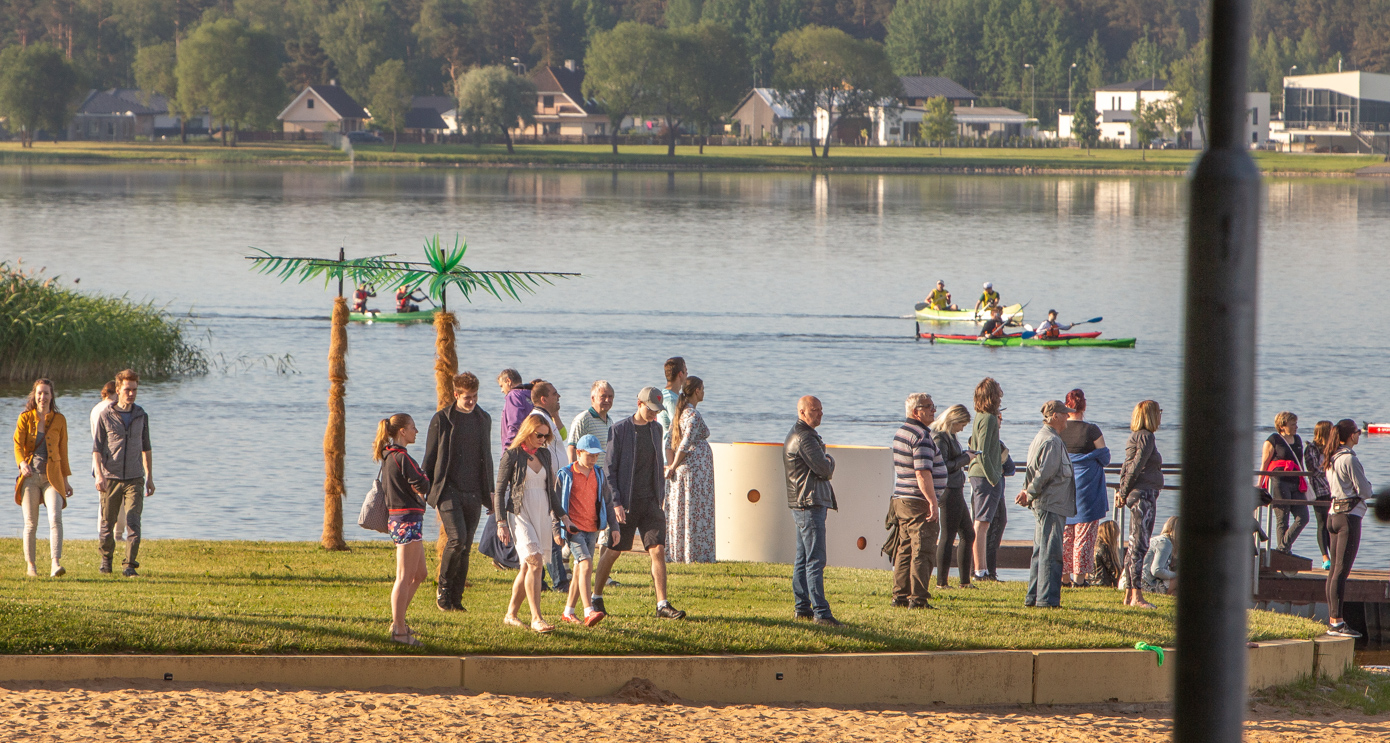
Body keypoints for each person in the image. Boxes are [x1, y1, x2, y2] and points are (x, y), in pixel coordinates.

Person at [592, 387, 687, 620]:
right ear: (639, 404)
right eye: (650, 409)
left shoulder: (656, 428)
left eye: (657, 410)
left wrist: (660, 495)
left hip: (651, 502)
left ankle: (662, 604)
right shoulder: (620, 430)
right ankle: (595, 597)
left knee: (658, 550)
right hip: (625, 504)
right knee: (614, 551)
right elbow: (609, 471)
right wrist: (615, 503)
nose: (654, 414)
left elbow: (657, 462)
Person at [421, 371, 494, 612]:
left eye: (474, 396)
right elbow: (430, 457)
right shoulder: (442, 419)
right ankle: (442, 590)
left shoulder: (483, 418)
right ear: (456, 394)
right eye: (467, 397)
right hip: (447, 489)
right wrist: (423, 488)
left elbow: (488, 458)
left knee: (466, 547)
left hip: (474, 491)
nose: (471, 401)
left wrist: (491, 494)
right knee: (456, 539)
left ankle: (456, 598)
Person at [494, 415, 572, 634]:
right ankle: (537, 618)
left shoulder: (545, 454)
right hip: (519, 512)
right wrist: (501, 522)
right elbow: (500, 491)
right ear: (528, 431)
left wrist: (563, 517)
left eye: (545, 435)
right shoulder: (511, 455)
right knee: (535, 561)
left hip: (542, 512)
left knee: (528, 566)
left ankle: (510, 614)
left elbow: (551, 490)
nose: (542, 439)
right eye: (539, 435)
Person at [373, 413, 430, 646]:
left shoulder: (388, 457)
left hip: (405, 519)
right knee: (405, 576)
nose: (416, 431)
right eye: (413, 428)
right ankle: (398, 630)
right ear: (402, 432)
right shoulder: (401, 457)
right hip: (406, 519)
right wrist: (425, 479)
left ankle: (399, 620)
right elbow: (423, 483)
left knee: (420, 574)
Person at [784, 395, 841, 626]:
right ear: (802, 412)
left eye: (821, 409)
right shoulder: (804, 437)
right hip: (808, 503)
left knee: (804, 558)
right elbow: (825, 469)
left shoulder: (803, 434)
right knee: (815, 559)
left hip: (803, 502)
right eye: (815, 410)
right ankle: (821, 613)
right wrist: (831, 460)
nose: (820, 414)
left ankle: (802, 608)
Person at [1015, 400, 1077, 609]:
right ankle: (1047, 601)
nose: (1068, 417)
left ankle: (1034, 598)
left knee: (1040, 553)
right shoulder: (1051, 441)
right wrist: (1029, 493)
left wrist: (1028, 493)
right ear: (1054, 416)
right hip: (1050, 504)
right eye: (1064, 413)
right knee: (1051, 554)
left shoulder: (1045, 437)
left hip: (1048, 503)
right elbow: (1044, 474)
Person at [92, 369, 154, 578]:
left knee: (133, 521)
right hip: (111, 477)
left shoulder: (141, 415)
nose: (131, 394)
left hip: (135, 478)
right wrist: (99, 475)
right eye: (127, 389)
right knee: (107, 523)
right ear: (118, 390)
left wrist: (150, 477)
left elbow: (147, 447)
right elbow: (97, 449)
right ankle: (106, 560)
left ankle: (129, 565)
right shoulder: (105, 415)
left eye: (134, 390)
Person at [890, 393, 944, 608]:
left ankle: (900, 596)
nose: (934, 410)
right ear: (916, 412)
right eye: (928, 407)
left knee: (905, 549)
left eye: (933, 406)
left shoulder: (901, 432)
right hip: (917, 501)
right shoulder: (920, 436)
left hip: (901, 499)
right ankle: (918, 599)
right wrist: (932, 501)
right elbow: (922, 473)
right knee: (923, 550)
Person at [14, 378, 72, 578]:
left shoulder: (60, 420)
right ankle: (31, 566)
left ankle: (55, 564)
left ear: (51, 396)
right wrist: (22, 464)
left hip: (52, 478)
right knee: (30, 523)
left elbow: (63, 452)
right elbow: (17, 445)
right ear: (34, 395)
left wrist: (65, 480)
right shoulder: (25, 418)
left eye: (46, 393)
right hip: (30, 478)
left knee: (55, 518)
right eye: (39, 393)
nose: (43, 397)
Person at [557, 434, 615, 627]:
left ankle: (568, 612)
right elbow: (555, 504)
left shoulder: (598, 474)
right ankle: (588, 610)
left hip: (592, 528)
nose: (593, 459)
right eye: (590, 455)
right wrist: (557, 530)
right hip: (573, 529)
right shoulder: (566, 474)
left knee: (579, 569)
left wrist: (614, 527)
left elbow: (607, 501)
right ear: (578, 453)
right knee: (586, 564)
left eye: (596, 456)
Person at [1323, 419, 1371, 638]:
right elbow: (1365, 490)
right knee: (1342, 570)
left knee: (1334, 570)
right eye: (1358, 432)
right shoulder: (1349, 459)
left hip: (1333, 515)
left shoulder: (1331, 457)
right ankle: (1337, 623)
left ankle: (1333, 619)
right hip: (1348, 518)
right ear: (1351, 435)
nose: (1359, 435)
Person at [1117, 400, 1164, 609]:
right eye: (1159, 412)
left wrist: (1122, 491)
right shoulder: (1146, 436)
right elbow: (1136, 466)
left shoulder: (1136, 436)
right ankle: (1137, 596)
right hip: (1143, 496)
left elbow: (1126, 466)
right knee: (1140, 546)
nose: (1161, 416)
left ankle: (1128, 595)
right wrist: (1124, 491)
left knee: (1134, 545)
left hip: (1139, 495)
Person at [664, 376, 716, 564]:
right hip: (695, 471)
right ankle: (694, 554)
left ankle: (680, 552)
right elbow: (684, 444)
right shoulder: (692, 415)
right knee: (695, 509)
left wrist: (671, 465)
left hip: (687, 469)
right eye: (702, 388)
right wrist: (674, 465)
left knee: (684, 510)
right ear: (696, 391)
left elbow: (669, 443)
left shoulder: (680, 414)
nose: (704, 392)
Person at [1060, 389, 1109, 587]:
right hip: (1087, 491)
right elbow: (1105, 457)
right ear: (1084, 406)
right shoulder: (1092, 430)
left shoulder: (1060, 429)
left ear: (1066, 406)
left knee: (1065, 536)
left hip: (1064, 490)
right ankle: (1079, 580)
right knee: (1084, 536)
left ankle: (1063, 579)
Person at [527, 381, 570, 592]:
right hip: (548, 483)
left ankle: (544, 579)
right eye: (554, 394)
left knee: (549, 529)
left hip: (556, 481)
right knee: (551, 530)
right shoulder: (538, 420)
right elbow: (538, 451)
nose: (558, 396)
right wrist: (549, 479)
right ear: (543, 399)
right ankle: (559, 581)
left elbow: (562, 438)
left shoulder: (547, 418)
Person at [931, 404, 975, 590]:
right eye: (962, 424)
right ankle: (942, 582)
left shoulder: (949, 436)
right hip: (948, 489)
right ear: (953, 420)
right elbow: (944, 465)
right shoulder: (941, 437)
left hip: (955, 488)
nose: (963, 428)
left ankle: (964, 581)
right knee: (948, 536)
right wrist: (966, 458)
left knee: (967, 533)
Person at [968, 377, 1004, 582]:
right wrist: (993, 477)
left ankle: (982, 570)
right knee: (982, 524)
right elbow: (981, 451)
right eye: (998, 391)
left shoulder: (980, 416)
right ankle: (980, 570)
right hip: (984, 476)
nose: (1001, 395)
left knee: (982, 523)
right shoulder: (988, 419)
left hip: (978, 474)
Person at [1260, 411, 1308, 554]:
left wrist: (1305, 479)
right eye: (1293, 424)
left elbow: (1300, 463)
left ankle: (1282, 549)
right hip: (1279, 482)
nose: (1296, 427)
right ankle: (1284, 552)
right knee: (1283, 518)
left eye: (1296, 424)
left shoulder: (1298, 440)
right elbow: (1264, 464)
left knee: (1303, 517)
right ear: (1282, 426)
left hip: (1296, 482)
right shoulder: (1273, 440)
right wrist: (1260, 484)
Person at [89, 382, 126, 542]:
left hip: (97, 461)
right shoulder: (114, 407)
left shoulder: (95, 409)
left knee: (103, 501)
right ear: (116, 392)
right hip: (115, 460)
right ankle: (117, 535)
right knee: (122, 501)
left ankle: (102, 534)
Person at [1304, 420, 1334, 570]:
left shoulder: (1333, 449)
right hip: (1320, 490)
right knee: (1322, 523)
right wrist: (1330, 473)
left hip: (1334, 490)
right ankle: (1325, 557)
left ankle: (1334, 556)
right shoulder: (1311, 448)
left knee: (1332, 524)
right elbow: (1314, 470)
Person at [567, 381, 614, 466]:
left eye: (610, 397)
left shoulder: (610, 421)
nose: (607, 400)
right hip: (586, 475)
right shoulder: (583, 419)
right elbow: (572, 448)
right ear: (593, 398)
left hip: (602, 475)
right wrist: (573, 474)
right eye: (603, 396)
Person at [658, 356, 688, 456]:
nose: (687, 374)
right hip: (670, 453)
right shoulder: (671, 399)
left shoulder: (664, 394)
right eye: (686, 371)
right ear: (680, 374)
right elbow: (679, 427)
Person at [497, 370, 534, 449]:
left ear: (508, 381)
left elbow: (515, 424)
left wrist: (508, 449)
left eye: (501, 386)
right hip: (531, 447)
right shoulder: (531, 395)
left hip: (517, 447)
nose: (502, 390)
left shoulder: (513, 396)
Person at [1142, 517, 1178, 595]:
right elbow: (1156, 570)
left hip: (1131, 582)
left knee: (1175, 592)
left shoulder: (1157, 540)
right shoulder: (1165, 543)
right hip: (1143, 584)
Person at [1090, 520, 1123, 588]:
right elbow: (1113, 569)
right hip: (1102, 583)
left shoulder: (1095, 545)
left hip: (1092, 581)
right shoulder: (1104, 548)